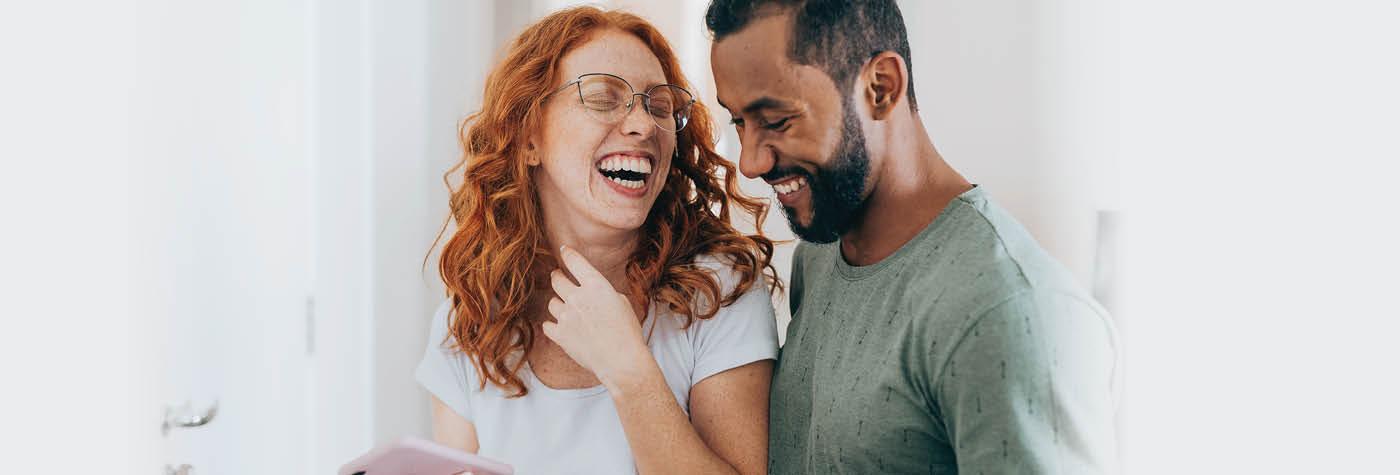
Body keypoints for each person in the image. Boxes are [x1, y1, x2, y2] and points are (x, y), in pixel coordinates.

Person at [705, 0, 1121, 473]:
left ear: (881, 87)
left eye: (777, 121)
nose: (750, 161)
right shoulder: (818, 257)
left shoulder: (1009, 310)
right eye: (739, 121)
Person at [415, 7, 779, 474]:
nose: (644, 126)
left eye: (660, 106)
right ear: (529, 138)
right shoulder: (469, 316)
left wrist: (628, 371)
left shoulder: (718, 289)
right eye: (605, 98)